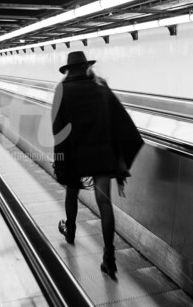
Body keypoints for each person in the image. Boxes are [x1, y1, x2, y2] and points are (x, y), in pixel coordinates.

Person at [51, 51, 143, 281]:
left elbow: (58, 130)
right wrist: (119, 159)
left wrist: (60, 162)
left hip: (75, 154)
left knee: (71, 191)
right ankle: (109, 259)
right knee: (104, 202)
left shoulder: (62, 90)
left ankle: (70, 231)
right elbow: (121, 122)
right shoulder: (101, 87)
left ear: (69, 70)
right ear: (87, 67)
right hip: (102, 154)